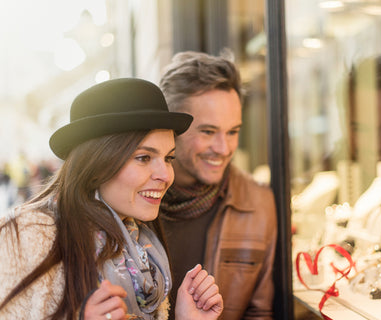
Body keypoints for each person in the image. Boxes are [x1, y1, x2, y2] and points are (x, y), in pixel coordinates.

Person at [0, 78, 223, 320]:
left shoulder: (141, 244)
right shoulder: (27, 237)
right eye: (144, 158)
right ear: (96, 165)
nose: (165, 175)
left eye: (169, 158)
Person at [156, 50, 278, 320]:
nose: (223, 148)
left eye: (233, 132)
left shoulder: (258, 203)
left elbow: (260, 313)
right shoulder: (134, 198)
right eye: (208, 132)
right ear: (171, 127)